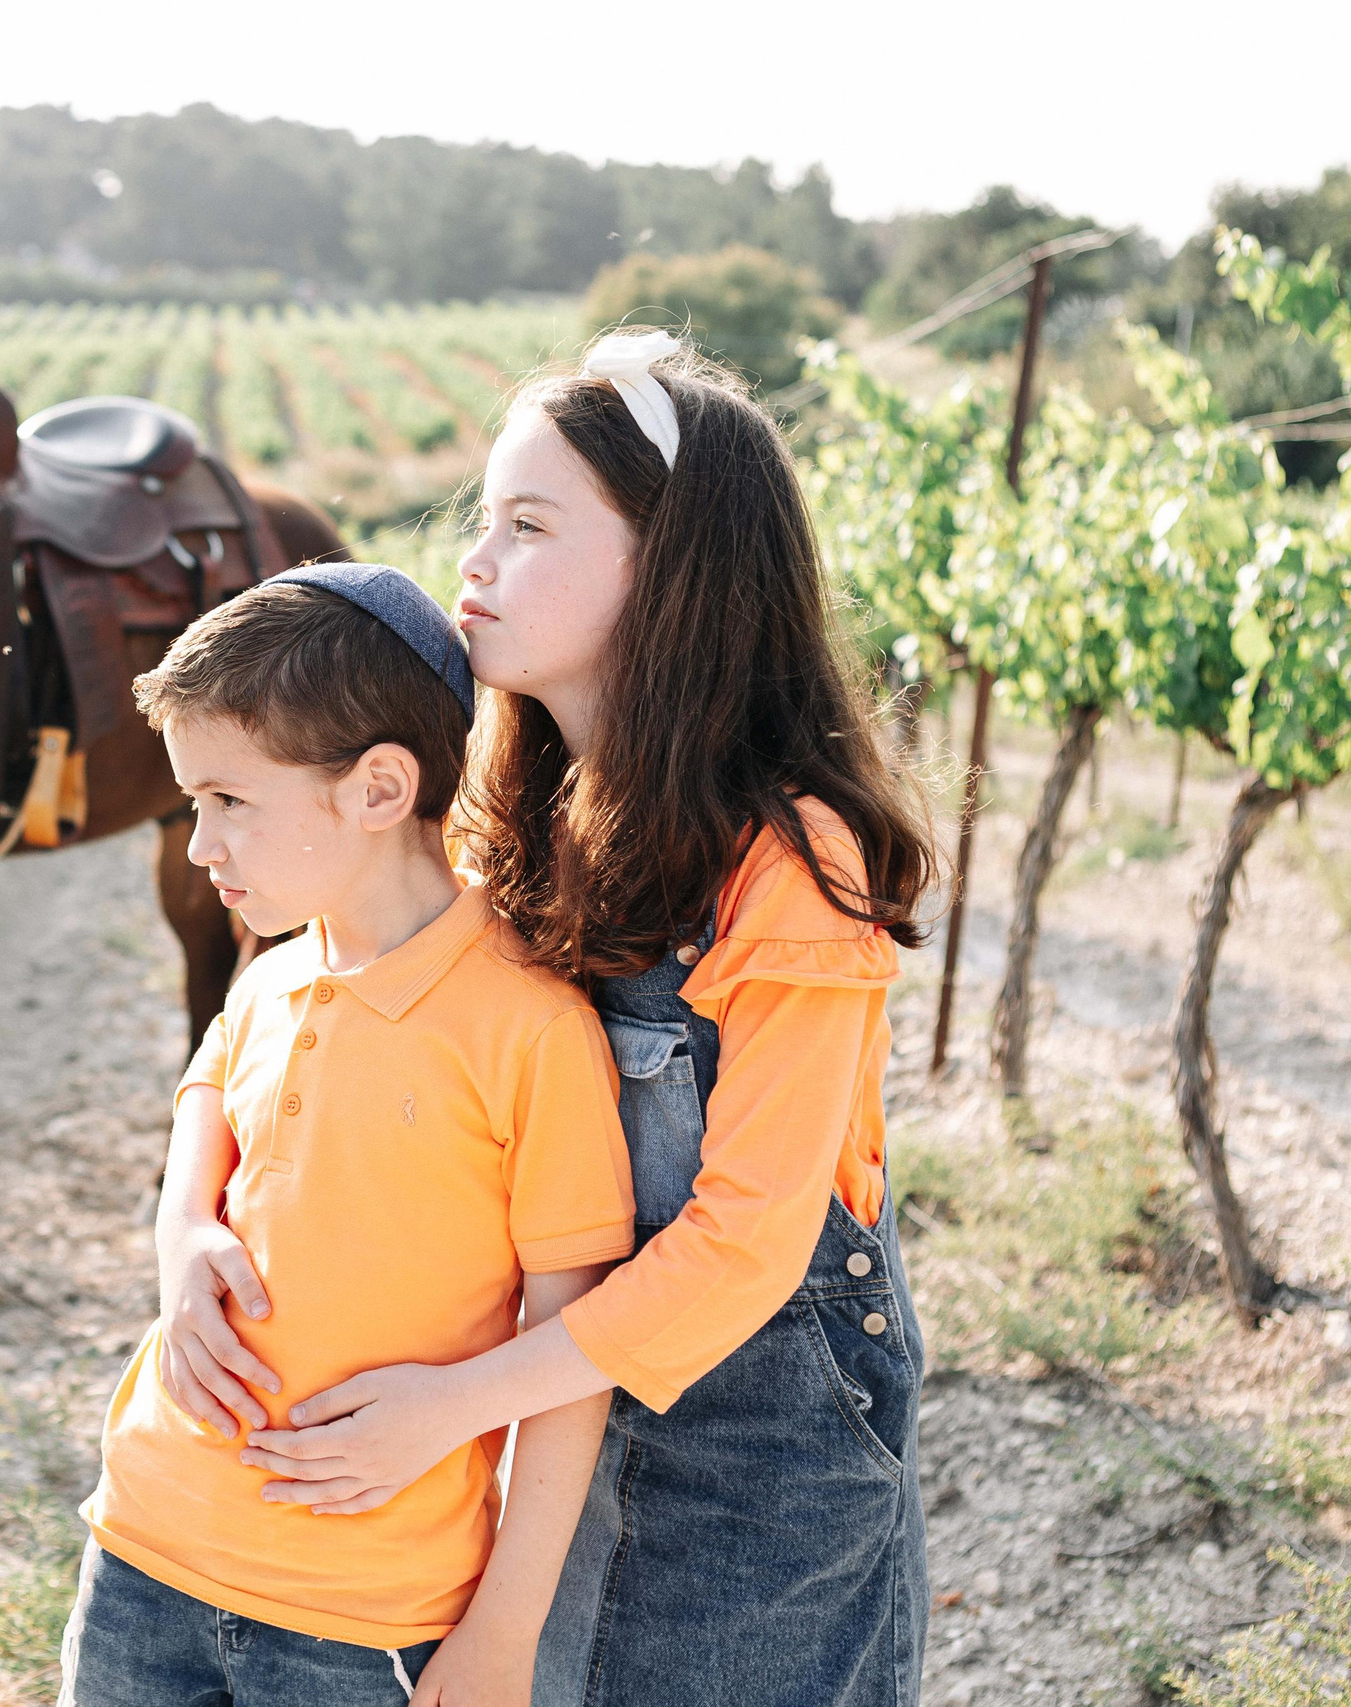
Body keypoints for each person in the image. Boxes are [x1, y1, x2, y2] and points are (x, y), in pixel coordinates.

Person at [163, 333, 942, 1707]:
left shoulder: (791, 860)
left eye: (527, 526)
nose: (474, 560)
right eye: (484, 519)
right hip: (541, 1416)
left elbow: (747, 1246)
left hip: (760, 1434)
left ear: (677, 565)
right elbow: (274, 1011)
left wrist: (455, 1400)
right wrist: (187, 1225)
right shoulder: (503, 822)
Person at [66, 564, 640, 1707]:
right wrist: (181, 1238)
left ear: (378, 788)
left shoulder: (532, 1034)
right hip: (143, 1551)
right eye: (192, 806)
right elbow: (204, 1099)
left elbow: (569, 1367)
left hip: (362, 1624)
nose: (198, 844)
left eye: (226, 801)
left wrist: (504, 1633)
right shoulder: (271, 979)